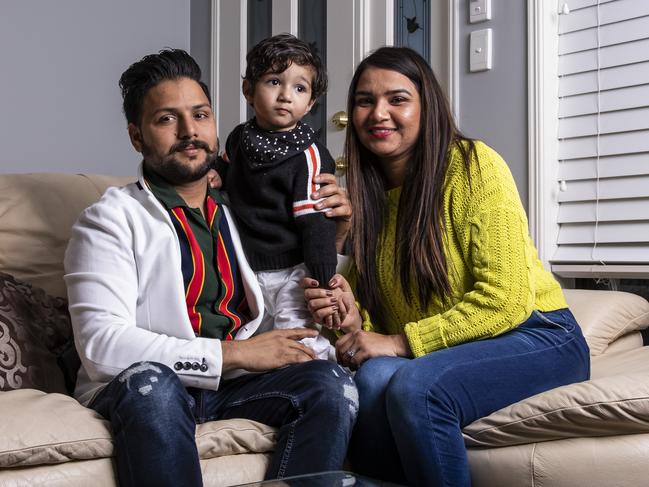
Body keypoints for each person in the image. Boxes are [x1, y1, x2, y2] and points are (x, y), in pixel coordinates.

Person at [64, 49, 357, 487]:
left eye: (200, 114)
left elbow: (287, 283)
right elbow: (102, 346)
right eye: (166, 119)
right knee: (153, 386)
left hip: (235, 387)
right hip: (155, 388)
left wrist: (336, 260)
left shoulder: (242, 209)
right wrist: (232, 354)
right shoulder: (108, 220)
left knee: (332, 384)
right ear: (136, 136)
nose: (189, 131)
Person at [304, 46, 590, 487]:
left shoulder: (474, 167)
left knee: (417, 388)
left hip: (539, 335)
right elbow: (367, 331)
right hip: (451, 350)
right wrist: (350, 311)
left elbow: (506, 300)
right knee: (374, 377)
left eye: (397, 99)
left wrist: (400, 341)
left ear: (427, 106)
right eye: (365, 100)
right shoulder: (367, 199)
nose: (379, 113)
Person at [216, 34, 339, 360]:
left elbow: (317, 224)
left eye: (300, 89)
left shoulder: (309, 157)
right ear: (248, 91)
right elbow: (227, 169)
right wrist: (215, 174)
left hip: (293, 270)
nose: (286, 95)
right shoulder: (239, 138)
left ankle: (326, 377)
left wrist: (323, 280)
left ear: (310, 103)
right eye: (274, 82)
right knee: (254, 341)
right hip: (244, 266)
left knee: (296, 337)